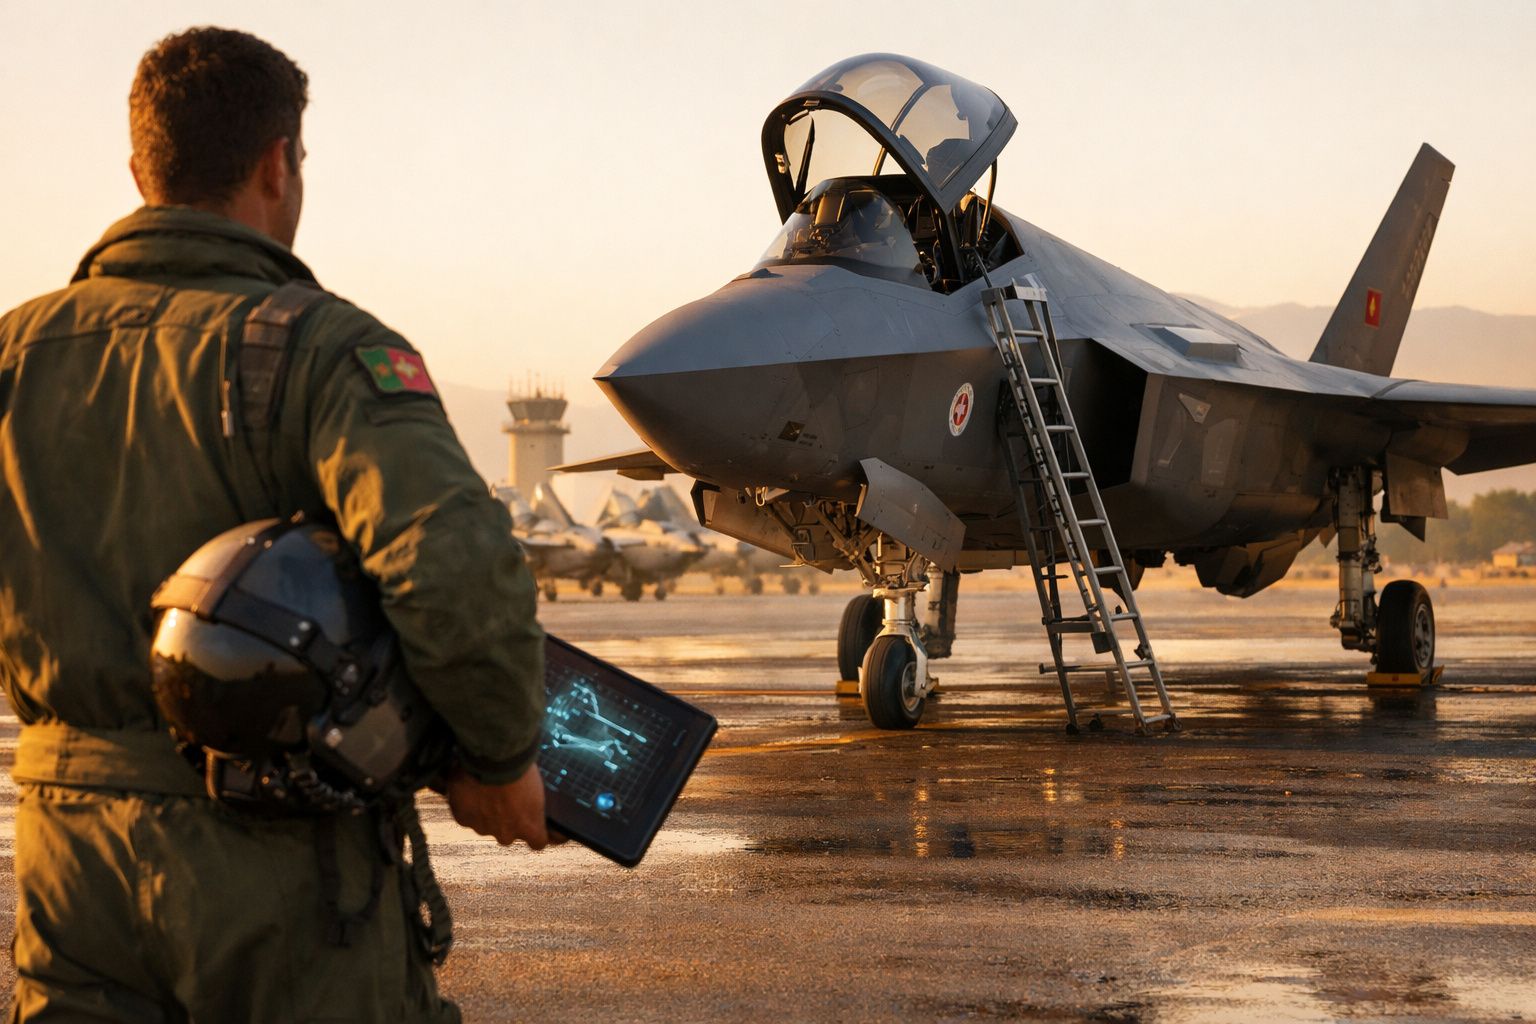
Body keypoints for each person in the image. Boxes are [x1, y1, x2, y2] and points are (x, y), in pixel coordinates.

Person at [0, 26, 553, 1021]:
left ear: (140, 170)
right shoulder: (322, 350)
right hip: (278, 866)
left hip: (66, 856)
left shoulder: (15, 354)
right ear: (278, 164)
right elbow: (449, 568)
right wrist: (501, 757)